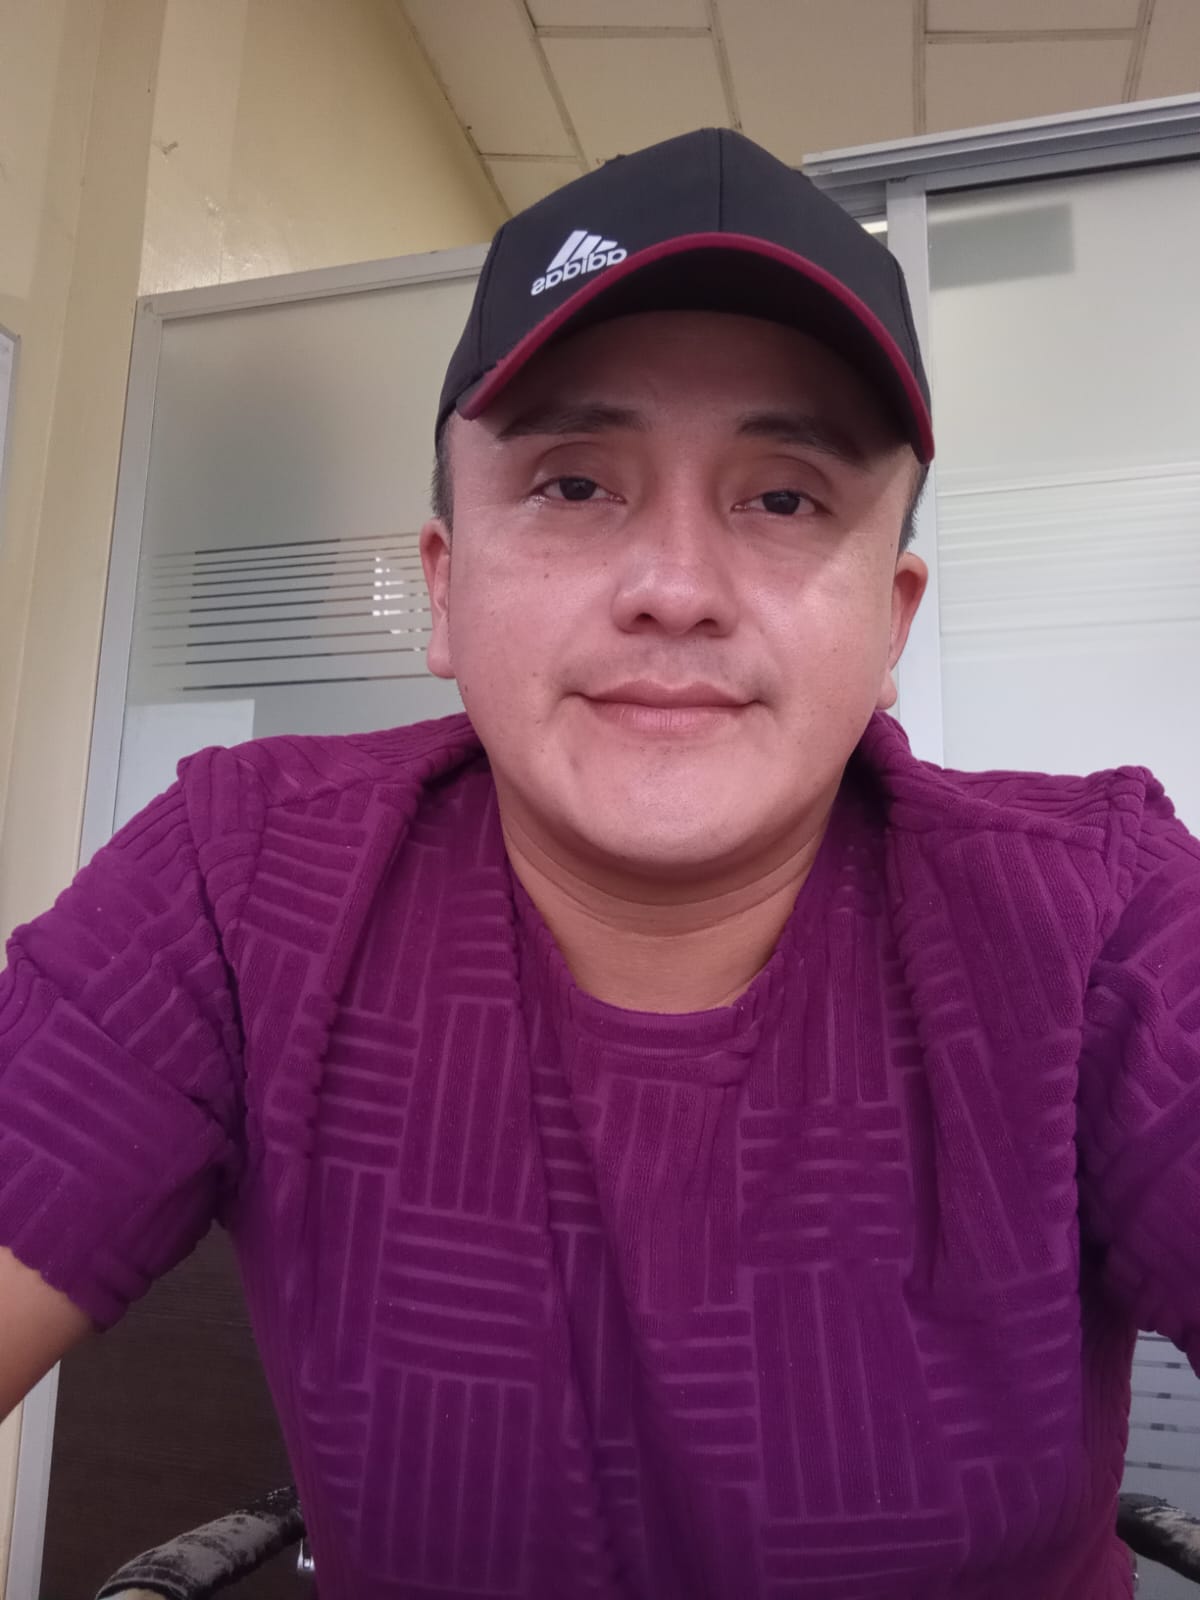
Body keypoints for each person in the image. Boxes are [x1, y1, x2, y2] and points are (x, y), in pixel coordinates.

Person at [1, 126, 1198, 1600]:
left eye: (784, 498)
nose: (676, 589)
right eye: (574, 485)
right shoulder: (245, 881)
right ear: (446, 587)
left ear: (892, 621)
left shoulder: (1096, 916)